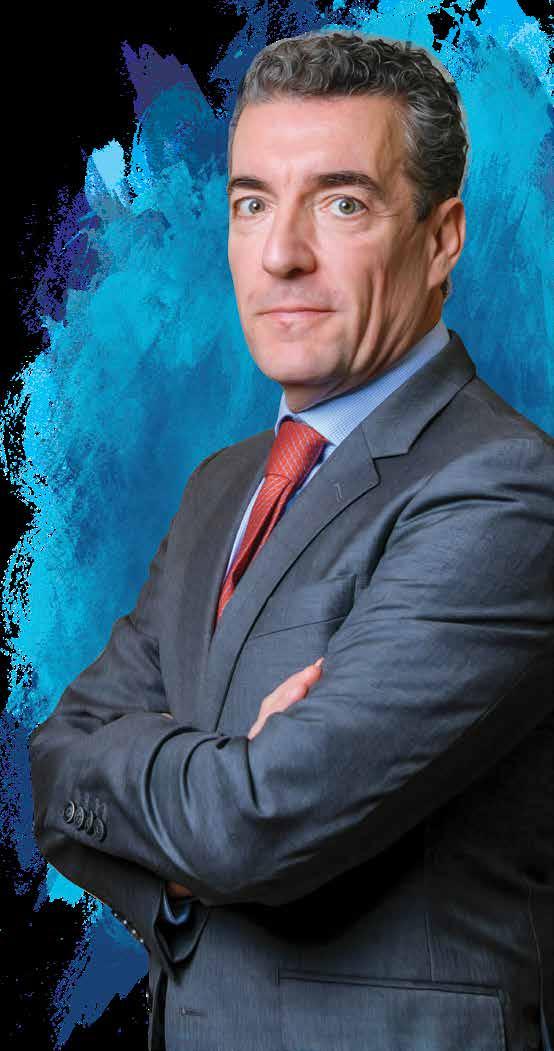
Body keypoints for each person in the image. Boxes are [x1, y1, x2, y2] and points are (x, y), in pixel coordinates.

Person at [29, 29, 553, 1051]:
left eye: (341, 203)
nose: (281, 255)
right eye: (252, 204)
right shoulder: (221, 488)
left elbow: (253, 823)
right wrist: (196, 849)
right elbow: (57, 763)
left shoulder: (503, 490)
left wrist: (194, 796)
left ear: (442, 238)